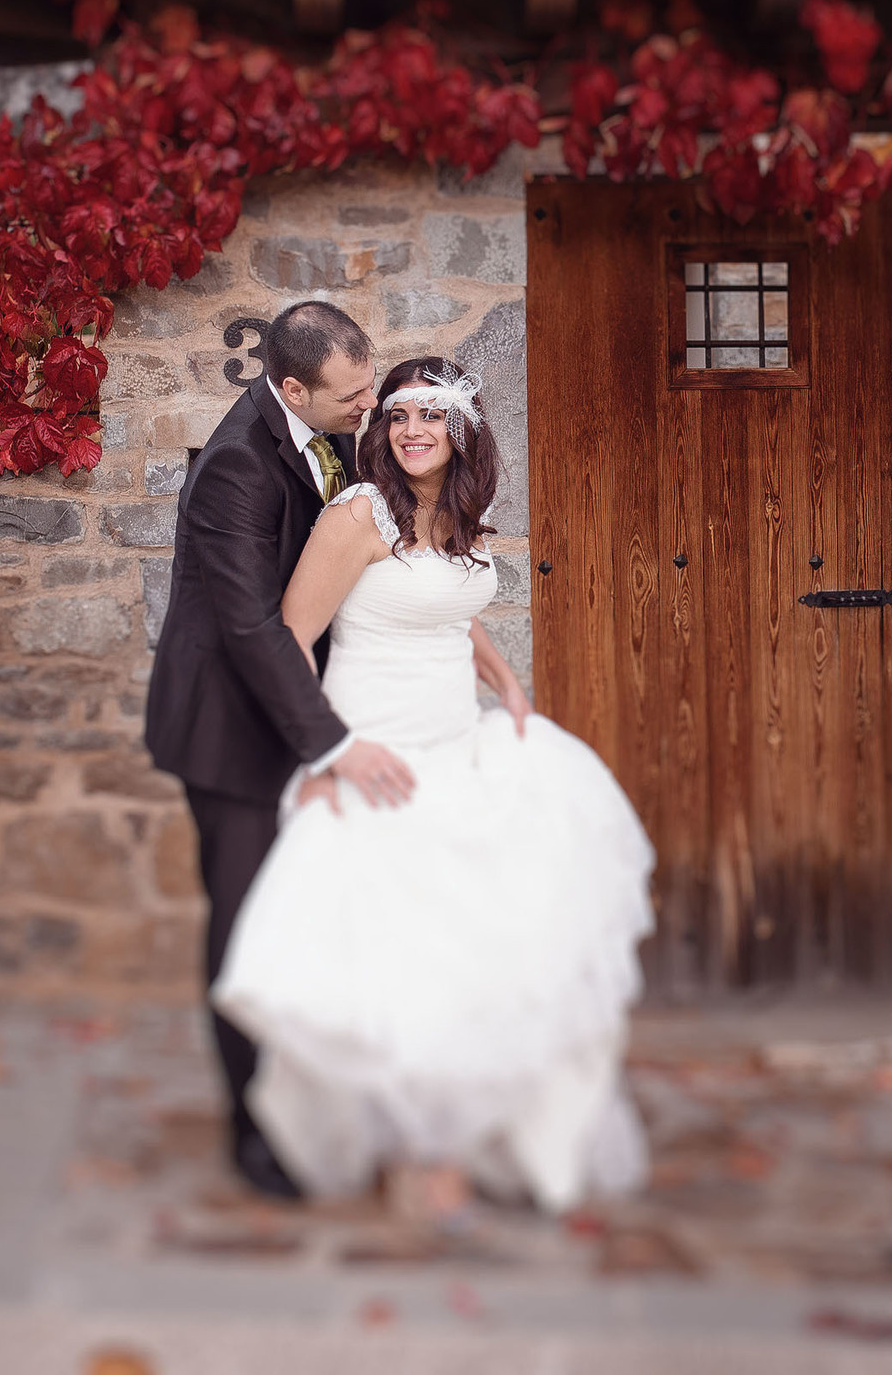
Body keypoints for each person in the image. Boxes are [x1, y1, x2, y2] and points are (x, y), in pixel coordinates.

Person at [211, 355, 656, 1210]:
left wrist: (503, 677)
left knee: (476, 958)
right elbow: (294, 637)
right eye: (401, 415)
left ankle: (460, 1135)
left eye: (432, 416)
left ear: (462, 432)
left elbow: (449, 604)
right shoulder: (359, 512)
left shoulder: (452, 513)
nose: (414, 431)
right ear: (382, 428)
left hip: (460, 750)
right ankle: (409, 1149)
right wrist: (321, 755)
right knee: (392, 966)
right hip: (374, 755)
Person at [142, 300, 410, 1200]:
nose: (367, 403)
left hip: (292, 719)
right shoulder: (234, 469)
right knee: (246, 939)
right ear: (290, 388)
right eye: (351, 393)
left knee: (306, 929)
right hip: (229, 738)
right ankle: (249, 1132)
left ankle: (313, 1102)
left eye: (367, 380)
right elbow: (254, 628)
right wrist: (330, 744)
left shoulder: (323, 430)